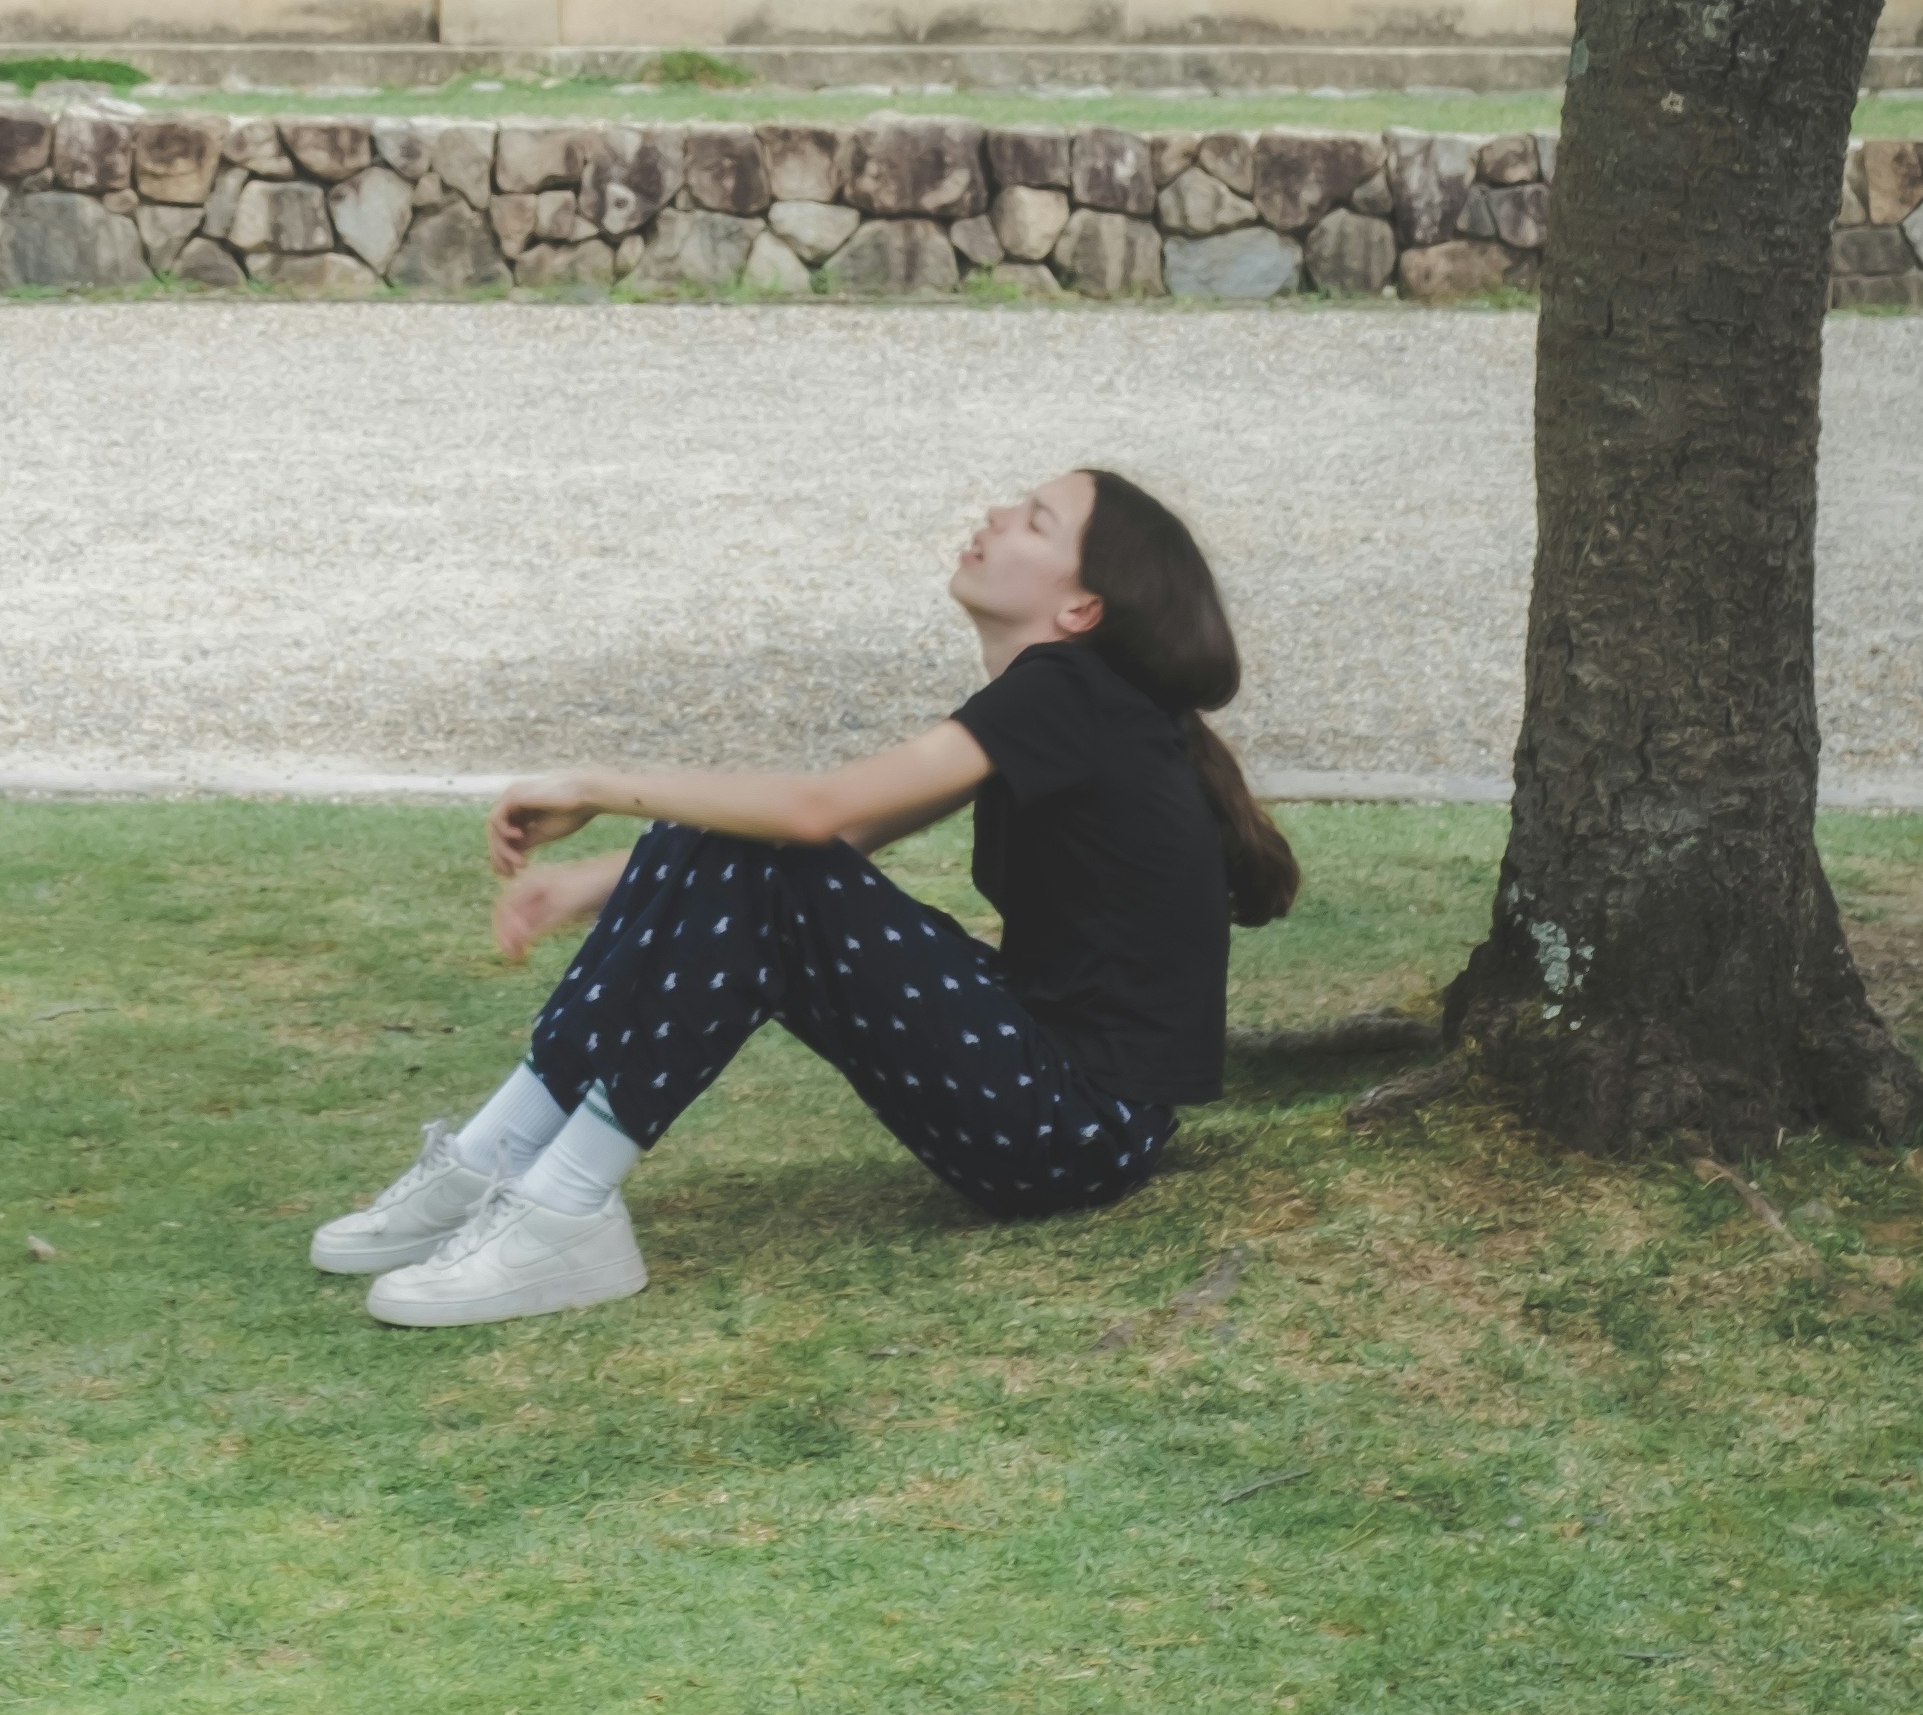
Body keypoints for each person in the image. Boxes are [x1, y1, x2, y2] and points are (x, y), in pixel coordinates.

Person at [311, 468, 1299, 1327]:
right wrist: (597, 885)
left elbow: (817, 814)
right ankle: (495, 1158)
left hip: (1077, 1131)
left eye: (1036, 520)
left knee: (763, 838)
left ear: (1082, 607)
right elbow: (831, 835)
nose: (997, 515)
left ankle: (566, 1209)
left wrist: (594, 785)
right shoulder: (1068, 708)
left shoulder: (1068, 695)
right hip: (1053, 1106)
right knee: (733, 837)